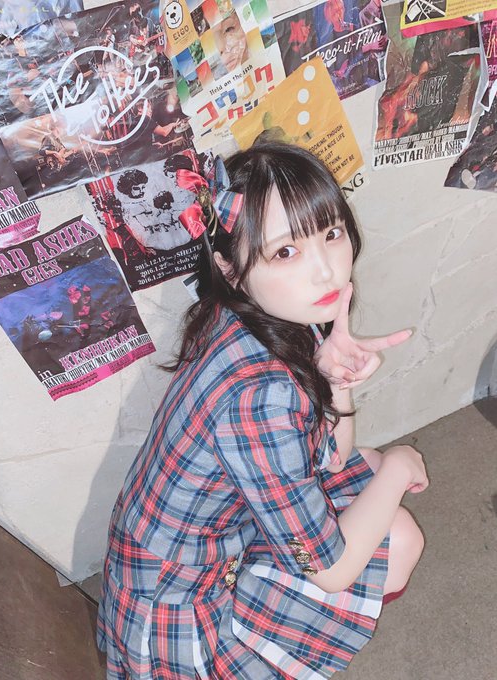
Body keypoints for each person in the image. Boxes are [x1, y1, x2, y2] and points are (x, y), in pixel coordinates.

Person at [98, 142, 428, 678]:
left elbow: (332, 457)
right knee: (396, 525)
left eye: (331, 233)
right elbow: (331, 571)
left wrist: (334, 380)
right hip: (181, 609)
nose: (326, 272)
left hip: (201, 547)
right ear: (230, 268)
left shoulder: (256, 313)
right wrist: (398, 467)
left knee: (363, 468)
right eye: (285, 251)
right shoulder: (260, 396)